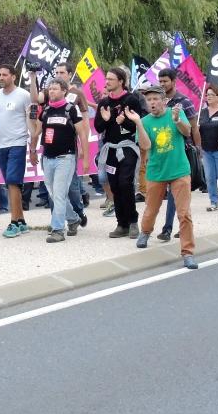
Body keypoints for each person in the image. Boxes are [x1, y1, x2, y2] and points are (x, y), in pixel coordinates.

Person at [133, 84, 197, 270]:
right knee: (151, 209)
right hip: (156, 171)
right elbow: (145, 146)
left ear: (164, 101)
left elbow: (187, 132)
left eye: (155, 99)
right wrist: (138, 124)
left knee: (184, 213)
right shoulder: (144, 121)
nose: (152, 103)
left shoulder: (175, 112)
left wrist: (177, 120)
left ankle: (188, 252)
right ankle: (145, 231)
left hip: (179, 170)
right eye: (149, 100)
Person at [30, 78, 91, 242]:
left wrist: (86, 158)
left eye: (55, 88)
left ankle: (58, 230)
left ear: (64, 91)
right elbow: (36, 132)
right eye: (50, 89)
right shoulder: (46, 110)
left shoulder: (71, 109)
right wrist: (32, 150)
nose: (51, 91)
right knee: (54, 193)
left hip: (66, 158)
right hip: (47, 158)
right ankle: (73, 218)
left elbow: (82, 134)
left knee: (58, 194)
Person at [95, 67, 145, 239]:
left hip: (127, 147)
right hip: (110, 149)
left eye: (111, 79)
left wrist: (124, 122)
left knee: (125, 183)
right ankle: (121, 224)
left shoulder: (131, 100)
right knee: (115, 186)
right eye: (106, 78)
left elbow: (137, 126)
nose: (107, 82)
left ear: (121, 81)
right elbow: (98, 128)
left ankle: (133, 221)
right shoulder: (104, 103)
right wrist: (106, 120)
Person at [0, 64, 33, 237]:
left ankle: (13, 222)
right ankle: (21, 221)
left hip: (18, 143)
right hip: (0, 145)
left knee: (13, 181)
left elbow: (31, 120)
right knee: (11, 184)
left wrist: (33, 145)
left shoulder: (24, 95)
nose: (1, 77)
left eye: (5, 74)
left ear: (13, 76)